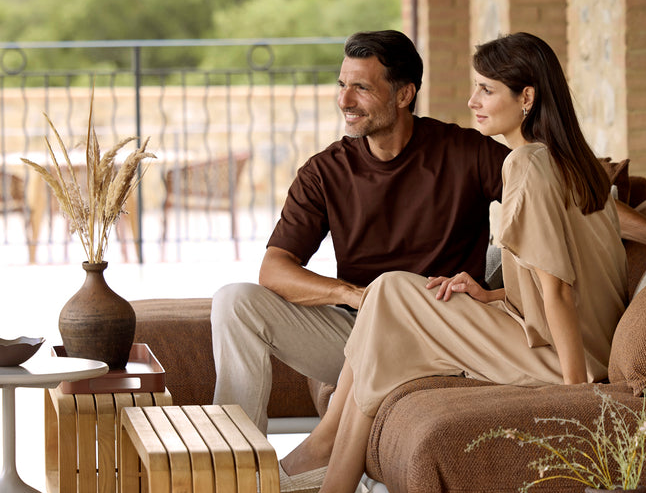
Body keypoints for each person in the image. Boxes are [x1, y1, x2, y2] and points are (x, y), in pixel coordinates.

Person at [278, 32, 630, 493]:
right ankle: (328, 483)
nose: (472, 102)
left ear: (526, 99)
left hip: (568, 355)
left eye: (486, 90)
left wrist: (575, 393)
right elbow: (552, 276)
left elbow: (558, 291)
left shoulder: (526, 165)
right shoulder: (563, 162)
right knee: (389, 297)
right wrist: (490, 296)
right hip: (561, 336)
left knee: (390, 295)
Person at [211, 30, 510, 432]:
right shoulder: (325, 171)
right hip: (358, 333)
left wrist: (619, 215)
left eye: (361, 88)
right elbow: (274, 270)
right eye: (341, 85)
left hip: (440, 335)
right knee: (235, 301)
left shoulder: (466, 152)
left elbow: (558, 199)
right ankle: (237, 463)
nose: (344, 101)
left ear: (404, 95)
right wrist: (352, 295)